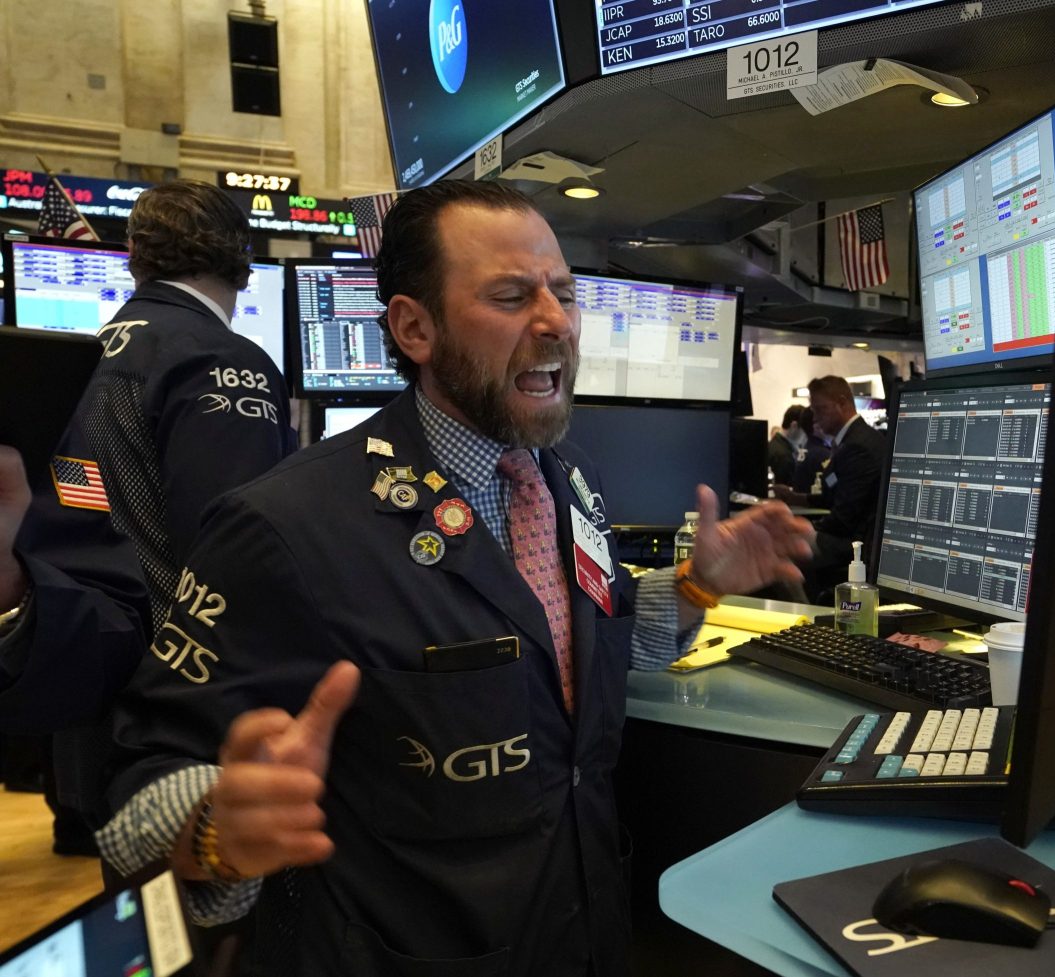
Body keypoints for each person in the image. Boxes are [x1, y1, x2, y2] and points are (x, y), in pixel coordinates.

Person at [98, 180, 814, 976]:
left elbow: (573, 655)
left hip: (581, 935)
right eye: (512, 296)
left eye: (564, 294)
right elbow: (138, 787)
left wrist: (693, 588)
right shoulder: (287, 526)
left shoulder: (567, 480)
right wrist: (212, 830)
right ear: (415, 327)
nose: (555, 322)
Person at [0, 180, 294, 850]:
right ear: (240, 257)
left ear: (133, 255)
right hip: (189, 726)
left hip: (90, 713)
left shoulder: (83, 355)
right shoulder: (223, 360)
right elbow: (238, 557)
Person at [774, 375, 886, 600]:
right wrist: (797, 499)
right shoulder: (852, 441)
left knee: (781, 549)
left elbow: (844, 518)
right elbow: (832, 495)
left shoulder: (858, 446)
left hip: (854, 545)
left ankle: (805, 621)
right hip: (851, 536)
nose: (815, 418)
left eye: (820, 409)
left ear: (842, 403)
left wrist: (807, 527)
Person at [789, 405, 832, 495]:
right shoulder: (822, 454)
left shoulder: (806, 449)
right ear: (817, 426)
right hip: (816, 506)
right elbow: (832, 483)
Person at [767, 404, 804, 488]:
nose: (805, 435)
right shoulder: (783, 455)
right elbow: (787, 491)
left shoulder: (774, 444)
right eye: (804, 430)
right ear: (794, 426)